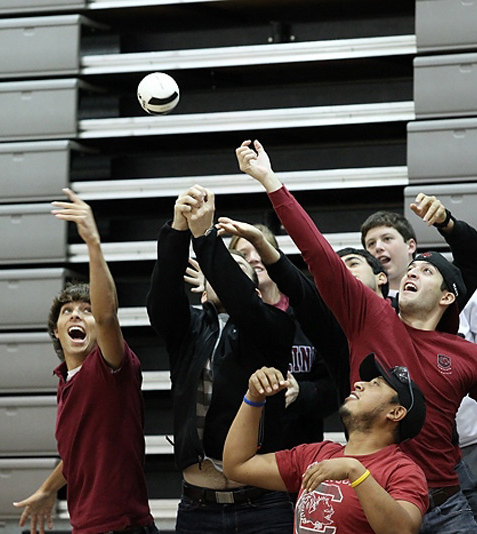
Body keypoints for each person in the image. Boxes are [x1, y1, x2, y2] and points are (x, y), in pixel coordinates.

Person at [235, 139, 477, 534]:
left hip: (444, 506)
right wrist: (269, 180)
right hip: (376, 502)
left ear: (447, 297)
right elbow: (318, 253)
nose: (411, 273)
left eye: (425, 271)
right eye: (412, 269)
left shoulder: (467, 355)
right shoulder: (370, 315)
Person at [362, 206, 477, 533]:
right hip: (404, 449)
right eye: (370, 244)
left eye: (387, 239)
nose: (378, 248)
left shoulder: (456, 286)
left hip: (469, 437)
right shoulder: (376, 310)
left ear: (411, 246)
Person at [146, 185, 295, 533]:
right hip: (198, 507)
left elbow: (244, 304)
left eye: (235, 267)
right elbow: (162, 299)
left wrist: (206, 237)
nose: (222, 274)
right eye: (218, 269)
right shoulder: (189, 328)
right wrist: (178, 230)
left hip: (264, 504)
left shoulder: (273, 324)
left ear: (255, 290)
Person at [12, 189, 156, 534]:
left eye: (86, 310)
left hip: (122, 527)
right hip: (87, 526)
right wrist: (48, 489)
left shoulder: (109, 367)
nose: (77, 315)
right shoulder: (66, 379)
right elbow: (79, 453)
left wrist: (93, 243)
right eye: (68, 311)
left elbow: (107, 317)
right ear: (57, 331)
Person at [223, 356, 429, 534]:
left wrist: (355, 472)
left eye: (375, 384)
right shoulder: (318, 453)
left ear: (395, 412)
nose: (359, 384)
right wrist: (254, 397)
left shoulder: (403, 471)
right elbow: (237, 466)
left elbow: (403, 530)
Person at [227, 226, 340, 449]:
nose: (254, 259)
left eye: (259, 249)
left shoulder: (307, 315)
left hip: (302, 448)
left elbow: (335, 388)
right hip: (245, 449)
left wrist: (302, 392)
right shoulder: (228, 321)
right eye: (244, 254)